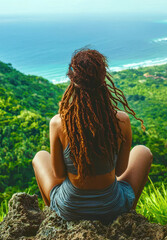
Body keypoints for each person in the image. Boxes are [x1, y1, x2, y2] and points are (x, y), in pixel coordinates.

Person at [32, 48, 152, 224]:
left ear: (72, 80)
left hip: (70, 209)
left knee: (39, 157)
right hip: (112, 208)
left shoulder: (58, 123)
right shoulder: (121, 120)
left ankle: (55, 217)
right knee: (143, 152)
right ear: (103, 78)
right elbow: (120, 171)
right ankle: (127, 215)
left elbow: (58, 174)